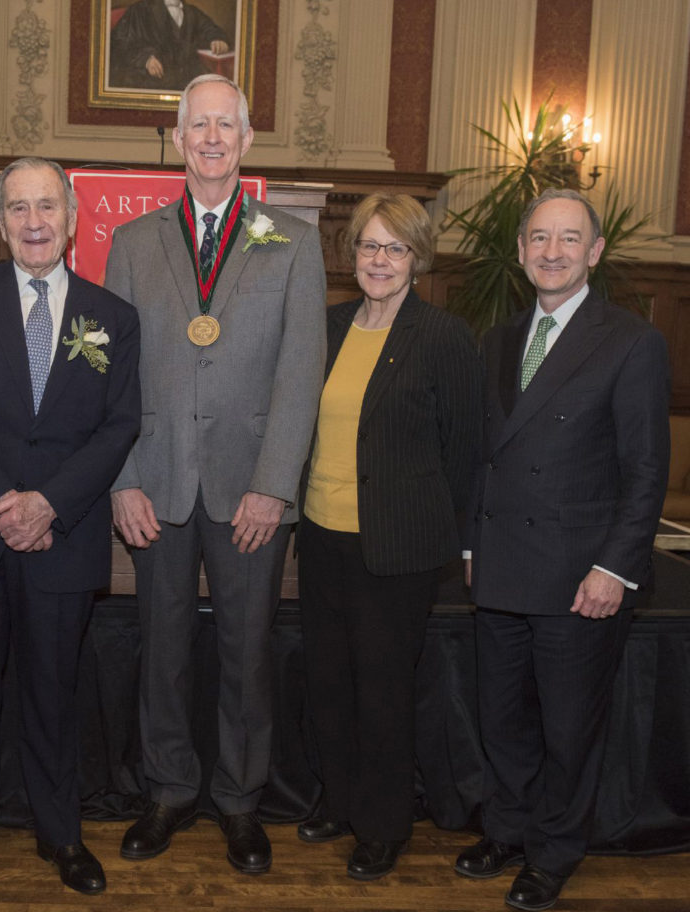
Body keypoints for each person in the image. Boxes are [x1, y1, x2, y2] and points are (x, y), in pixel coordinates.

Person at [105, 74, 326, 875]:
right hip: (155, 484)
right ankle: (167, 789)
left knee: (247, 650)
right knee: (161, 647)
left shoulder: (293, 241)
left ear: (246, 140)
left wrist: (274, 484)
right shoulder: (132, 243)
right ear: (175, 139)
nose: (209, 137)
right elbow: (111, 377)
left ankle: (239, 799)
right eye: (196, 125)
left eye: (223, 125)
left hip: (249, 491)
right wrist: (122, 477)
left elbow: (301, 373)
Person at [0, 157, 140, 902]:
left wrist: (48, 503)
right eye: (19, 208)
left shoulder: (112, 316)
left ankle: (61, 834)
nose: (35, 221)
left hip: (64, 535)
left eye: (48, 206)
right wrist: (2, 502)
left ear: (73, 217)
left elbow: (119, 428)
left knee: (55, 693)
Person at [456, 188, 670, 912]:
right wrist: (468, 546)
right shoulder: (498, 338)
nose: (552, 251)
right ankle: (508, 828)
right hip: (500, 566)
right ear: (519, 253)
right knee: (502, 717)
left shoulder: (633, 341)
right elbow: (484, 456)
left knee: (568, 727)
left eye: (569, 239)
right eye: (539, 239)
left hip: (580, 576)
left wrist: (615, 567)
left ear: (596, 252)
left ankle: (553, 852)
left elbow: (645, 471)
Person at [296, 193, 482, 880]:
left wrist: (462, 543)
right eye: (370, 247)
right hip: (321, 534)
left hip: (396, 550)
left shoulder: (443, 336)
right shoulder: (330, 325)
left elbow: (465, 451)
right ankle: (338, 802)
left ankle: (383, 824)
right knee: (328, 681)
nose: (380, 260)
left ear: (417, 257)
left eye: (395, 248)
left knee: (382, 691)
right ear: (352, 254)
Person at [110, 0, 230, 91]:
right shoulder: (140, 10)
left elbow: (210, 29)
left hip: (187, 81)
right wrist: (145, 58)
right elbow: (119, 42)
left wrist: (218, 39)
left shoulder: (191, 12)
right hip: (150, 81)